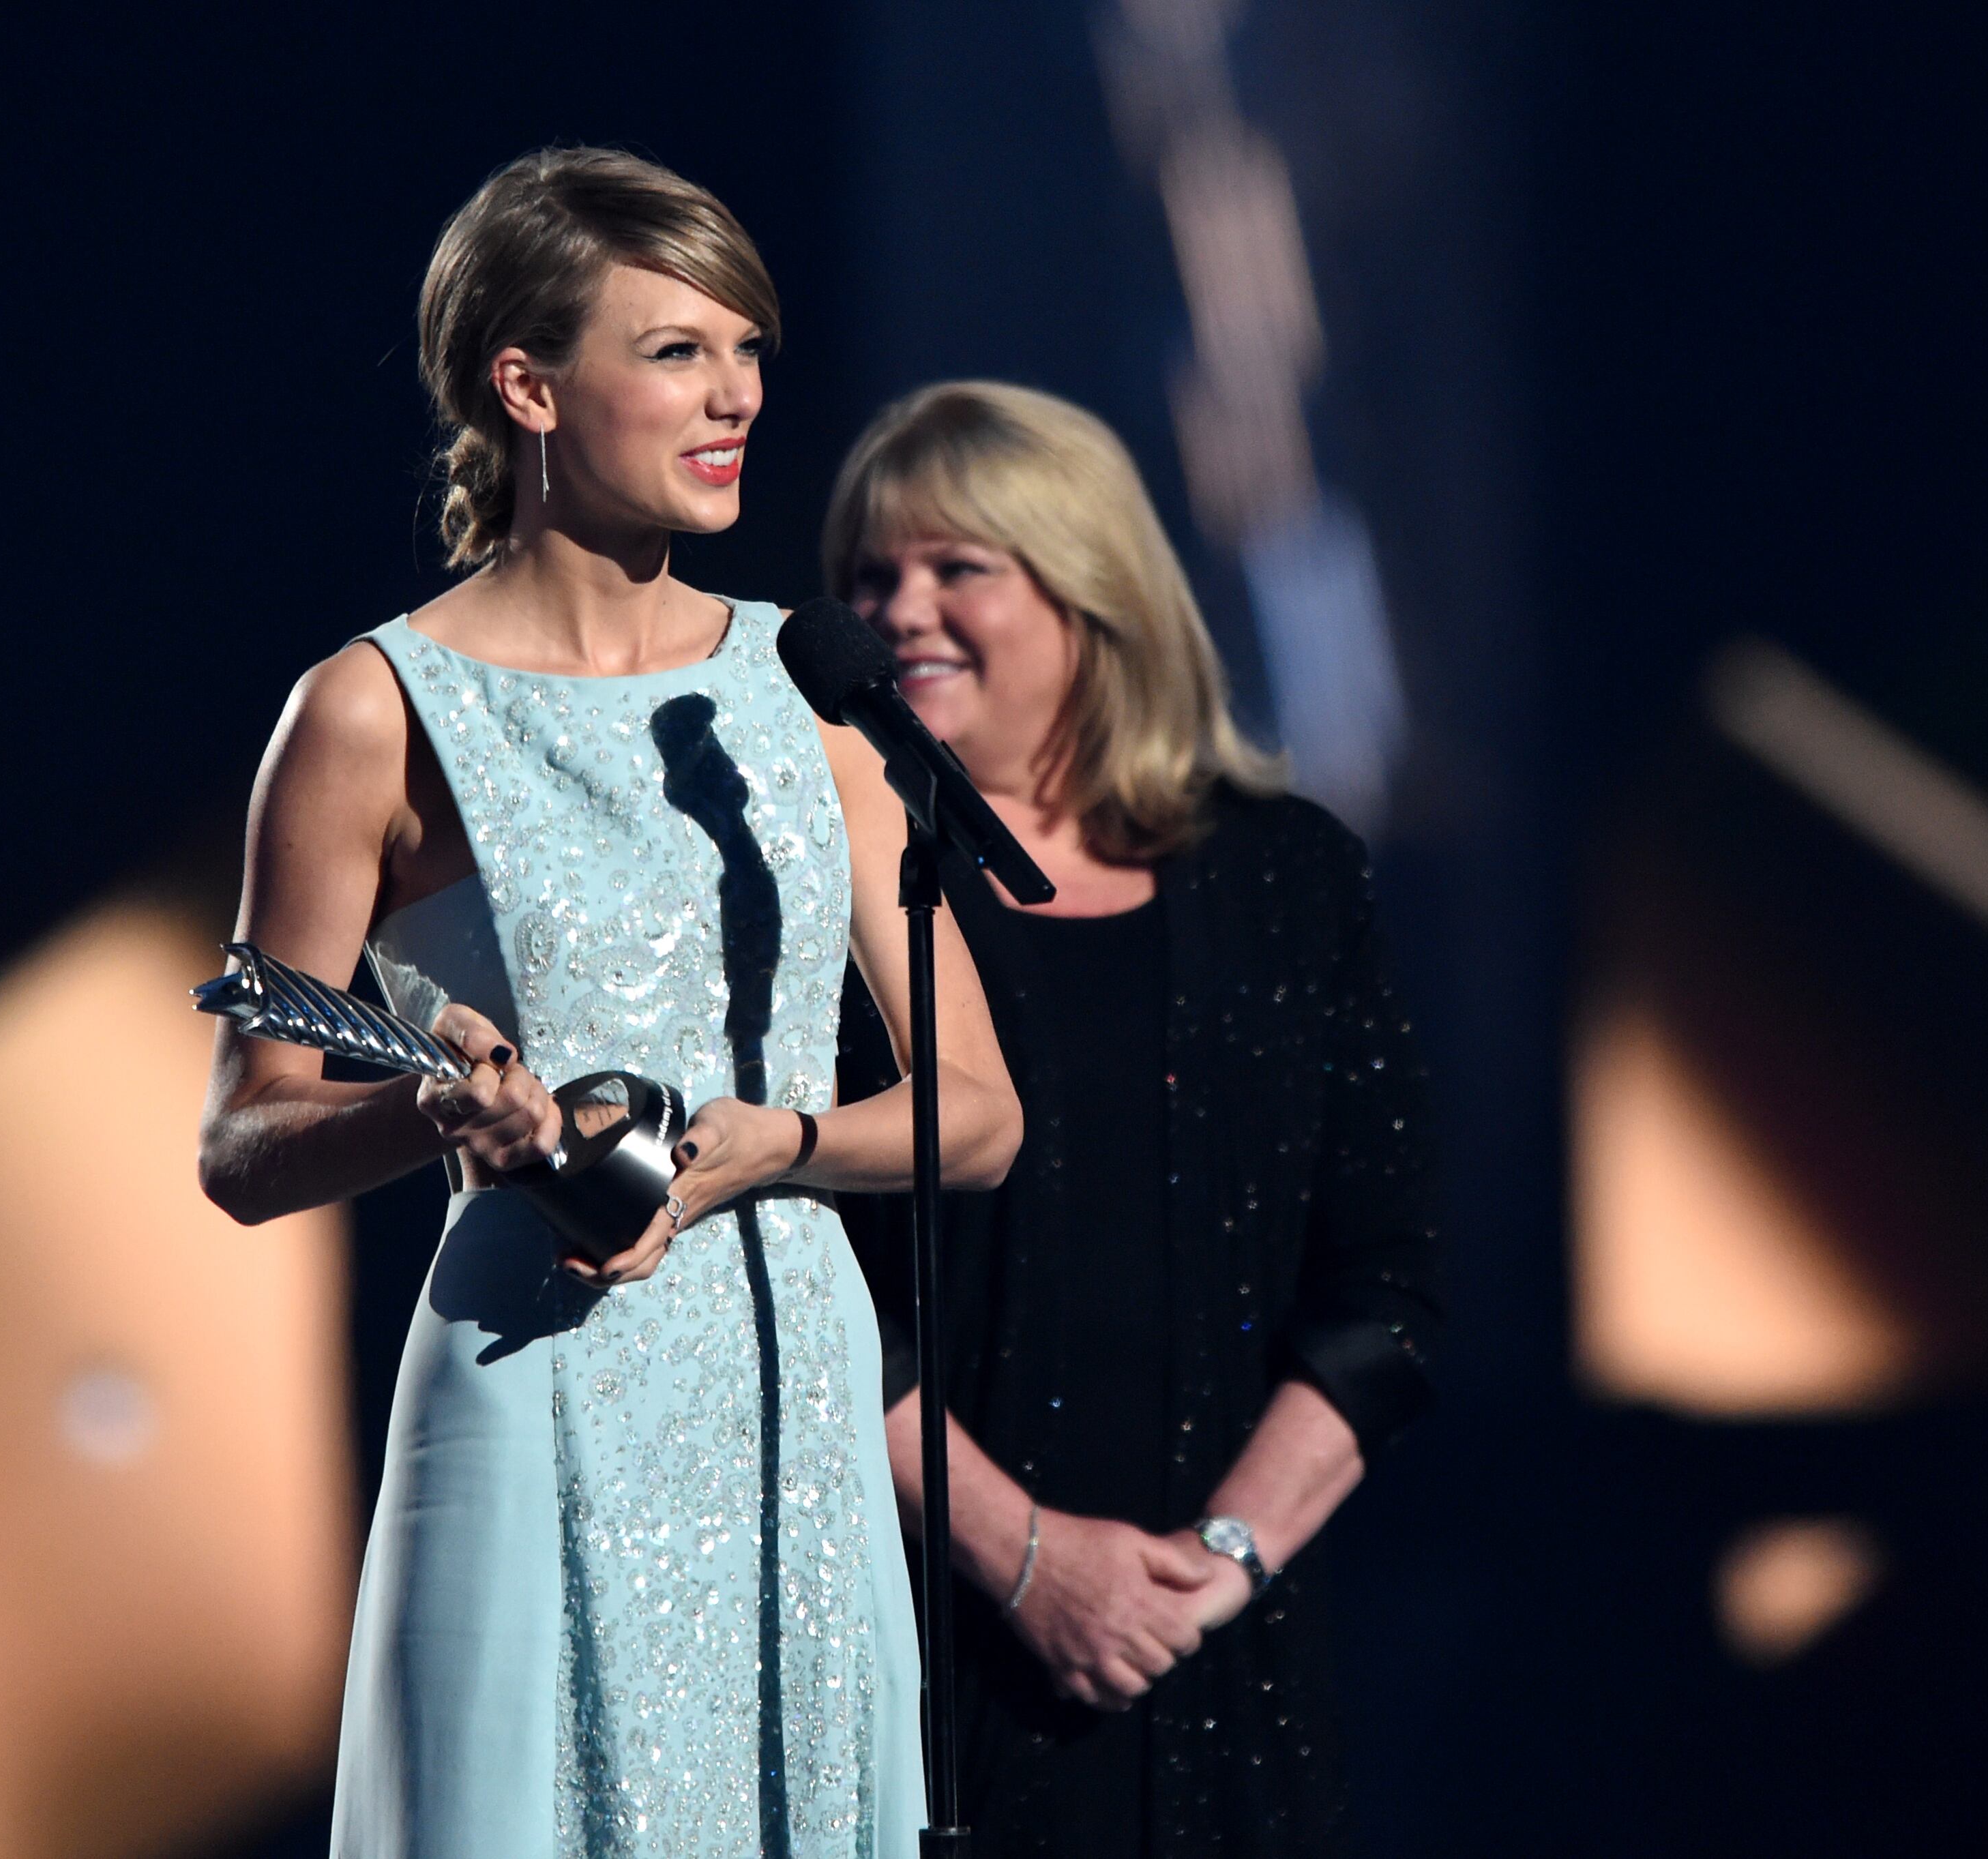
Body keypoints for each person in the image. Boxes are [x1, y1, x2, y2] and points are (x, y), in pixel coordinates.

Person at [196, 149, 1021, 1859]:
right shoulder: (369, 711)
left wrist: (767, 1148)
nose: (737, 399)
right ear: (527, 384)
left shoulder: (805, 693)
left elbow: (981, 1110)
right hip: (534, 1363)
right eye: (676, 353)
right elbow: (243, 1137)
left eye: (747, 351)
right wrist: (428, 1107)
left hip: (786, 1372)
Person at [824, 382, 1442, 1857]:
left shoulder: (1285, 879)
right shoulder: (832, 890)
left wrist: (1206, 1571)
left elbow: (1386, 1295)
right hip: (921, 1644)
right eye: (870, 575)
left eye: (956, 566)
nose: (901, 608)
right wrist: (1025, 1560)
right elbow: (808, 1291)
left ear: (1089, 593)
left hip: (1213, 1664)